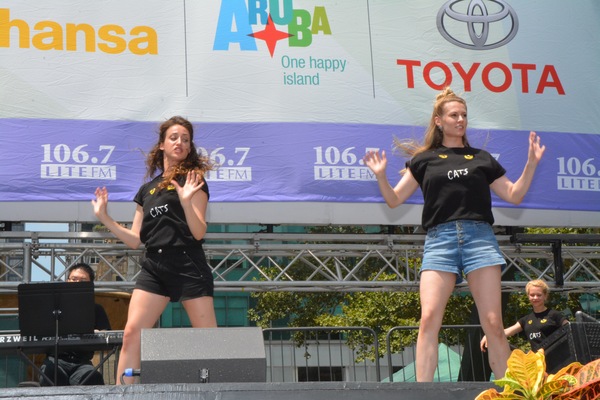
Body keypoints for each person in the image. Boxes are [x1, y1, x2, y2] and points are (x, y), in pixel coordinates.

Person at [363, 87, 545, 381]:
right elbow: (394, 200)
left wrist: (532, 163)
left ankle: (507, 391)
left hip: (480, 239)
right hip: (440, 241)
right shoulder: (424, 160)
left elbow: (514, 194)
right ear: (439, 121)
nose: (460, 120)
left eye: (464, 115)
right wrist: (381, 176)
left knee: (493, 323)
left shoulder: (481, 158)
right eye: (454, 115)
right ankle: (424, 393)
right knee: (428, 320)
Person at [91, 115, 217, 384]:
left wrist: (185, 201)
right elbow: (136, 240)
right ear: (162, 145)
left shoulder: (193, 180)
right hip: (154, 267)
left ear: (190, 147)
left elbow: (198, 232)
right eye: (174, 137)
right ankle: (124, 394)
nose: (179, 142)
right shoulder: (146, 190)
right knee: (131, 333)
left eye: (185, 139)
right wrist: (105, 217)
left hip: (187, 263)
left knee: (209, 339)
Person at [39, 263, 111, 386]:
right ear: (67, 281)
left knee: (92, 377)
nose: (77, 283)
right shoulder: (54, 307)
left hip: (82, 363)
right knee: (49, 372)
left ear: (90, 284)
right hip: (56, 360)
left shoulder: (96, 309)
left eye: (82, 280)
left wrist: (98, 334)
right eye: (74, 279)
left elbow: (107, 335)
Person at [480, 279, 568, 353]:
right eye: (532, 295)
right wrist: (489, 335)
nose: (535, 298)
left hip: (558, 359)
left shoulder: (554, 315)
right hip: (537, 363)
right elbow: (506, 332)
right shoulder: (525, 320)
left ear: (545, 296)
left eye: (539, 295)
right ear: (528, 296)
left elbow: (570, 328)